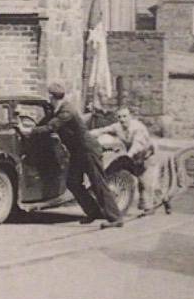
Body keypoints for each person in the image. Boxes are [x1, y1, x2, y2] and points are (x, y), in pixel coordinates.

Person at [25, 82, 124, 228]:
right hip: (77, 152)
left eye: (49, 96)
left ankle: (115, 218)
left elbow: (51, 127)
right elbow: (45, 123)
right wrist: (32, 128)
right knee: (72, 182)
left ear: (52, 97)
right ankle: (94, 212)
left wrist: (29, 131)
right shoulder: (57, 110)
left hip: (88, 150)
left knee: (98, 182)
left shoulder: (66, 111)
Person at [91, 107, 162, 214]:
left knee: (146, 182)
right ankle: (159, 199)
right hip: (134, 157)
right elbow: (102, 130)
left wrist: (128, 155)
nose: (122, 119)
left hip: (147, 155)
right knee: (140, 182)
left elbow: (138, 144)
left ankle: (152, 206)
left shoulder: (138, 128)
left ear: (130, 116)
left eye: (125, 116)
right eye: (119, 117)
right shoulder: (117, 127)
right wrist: (86, 134)